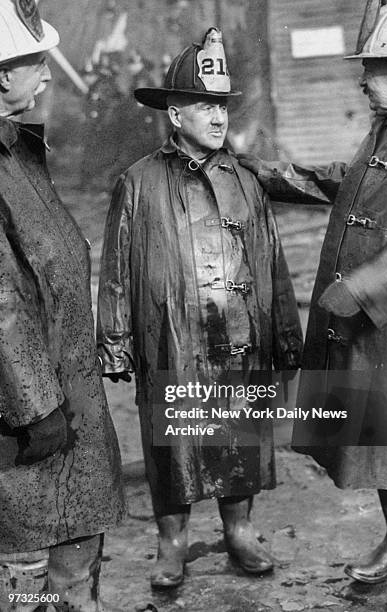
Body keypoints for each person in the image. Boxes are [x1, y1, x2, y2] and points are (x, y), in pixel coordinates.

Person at [97, 27, 302, 588]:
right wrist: (114, 341)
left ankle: (239, 530)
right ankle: (173, 543)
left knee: (238, 431)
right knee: (174, 442)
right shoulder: (138, 182)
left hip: (240, 334)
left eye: (222, 107)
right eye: (204, 106)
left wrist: (286, 333)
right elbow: (115, 269)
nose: (218, 118)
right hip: (171, 335)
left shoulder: (247, 182)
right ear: (175, 115)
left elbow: (273, 262)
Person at [238, 0, 387, 585]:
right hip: (377, 323)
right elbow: (346, 182)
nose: (362, 80)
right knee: (378, 432)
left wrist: (360, 289)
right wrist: (270, 173)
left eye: (373, 69)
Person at [0, 1, 125, 610]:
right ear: (1, 75)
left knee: (72, 547)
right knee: (27, 566)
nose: (49, 74)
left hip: (60, 395)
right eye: (36, 62)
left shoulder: (15, 152)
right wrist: (37, 405)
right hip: (36, 415)